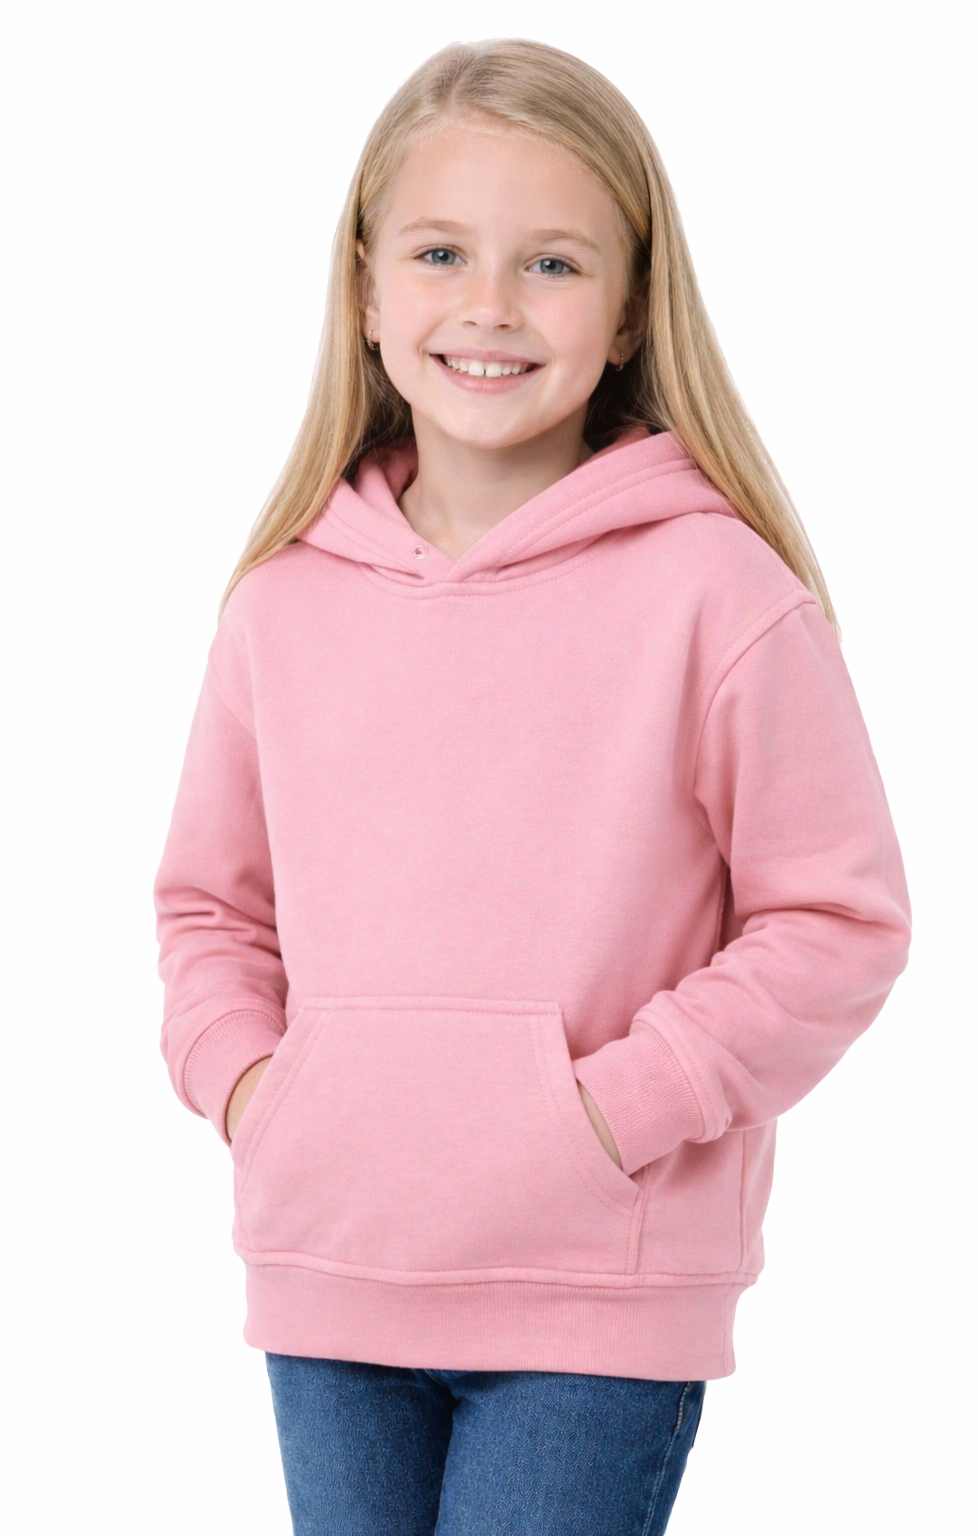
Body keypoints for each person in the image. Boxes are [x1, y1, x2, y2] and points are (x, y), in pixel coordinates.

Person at [152, 36, 912, 1536]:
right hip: (332, 1268)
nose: (490, 305)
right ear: (366, 289)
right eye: (440, 252)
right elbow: (208, 910)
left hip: (595, 1291)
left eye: (553, 263)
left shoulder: (716, 594)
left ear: (629, 309)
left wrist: (616, 1113)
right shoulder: (282, 604)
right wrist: (256, 1091)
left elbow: (838, 920)